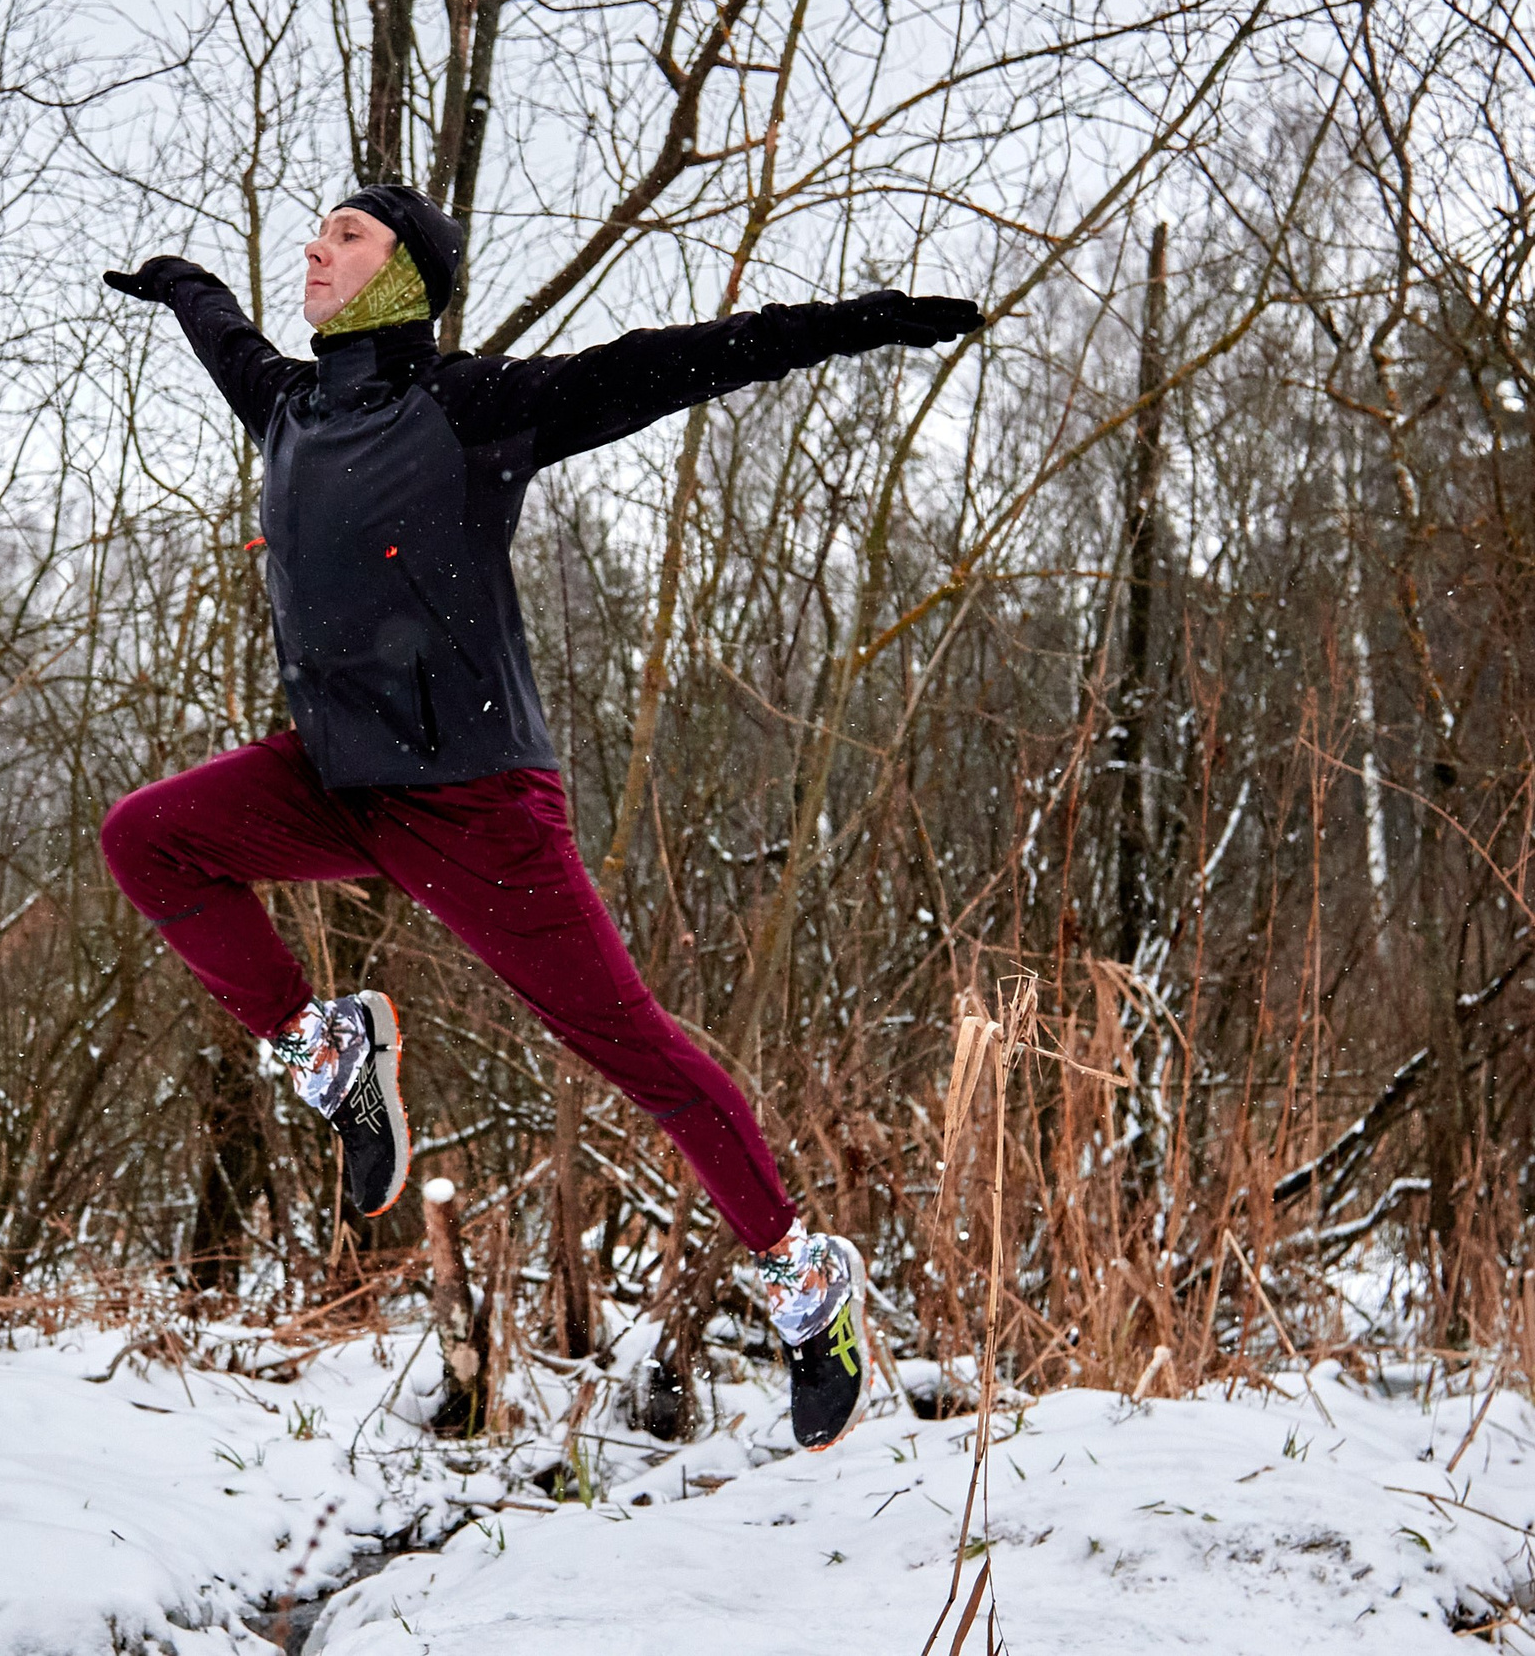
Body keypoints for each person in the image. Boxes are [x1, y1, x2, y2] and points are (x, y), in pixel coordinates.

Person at [97, 183, 983, 1450]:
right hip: (337, 782)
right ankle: (328, 1051)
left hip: (475, 805)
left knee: (631, 1049)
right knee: (147, 836)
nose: (314, 248)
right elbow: (223, 331)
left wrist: (860, 319)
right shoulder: (288, 408)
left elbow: (672, 363)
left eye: (345, 235)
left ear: (406, 274)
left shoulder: (468, 410)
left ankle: (799, 1271)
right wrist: (180, 276)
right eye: (316, 233)